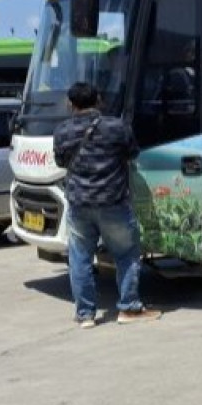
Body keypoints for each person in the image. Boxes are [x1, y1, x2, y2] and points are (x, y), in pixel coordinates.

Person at [52, 82, 160, 328]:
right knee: (126, 255)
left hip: (79, 205)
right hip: (114, 203)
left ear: (70, 104)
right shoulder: (116, 127)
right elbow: (133, 153)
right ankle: (129, 308)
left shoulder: (62, 131)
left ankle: (85, 315)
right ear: (99, 100)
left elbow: (60, 161)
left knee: (80, 259)